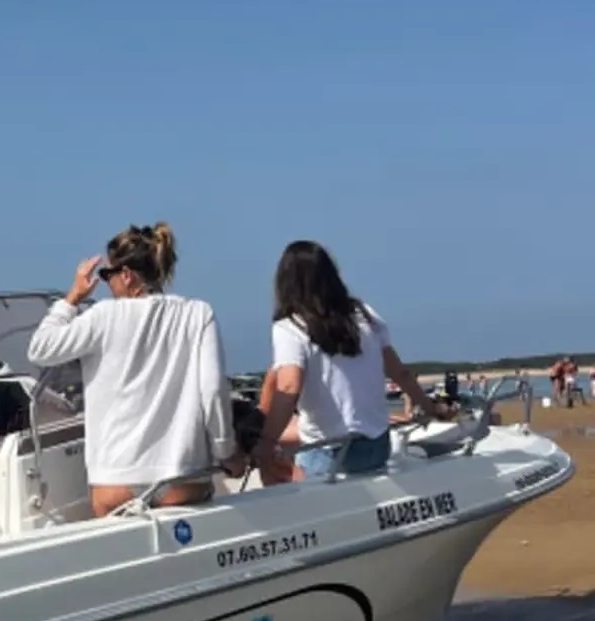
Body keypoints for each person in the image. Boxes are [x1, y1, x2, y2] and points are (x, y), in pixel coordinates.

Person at [26, 222, 241, 518]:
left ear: (126, 276)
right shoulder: (198, 313)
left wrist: (72, 297)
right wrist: (225, 451)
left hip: (116, 481)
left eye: (106, 275)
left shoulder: (102, 316)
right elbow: (214, 390)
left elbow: (40, 348)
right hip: (181, 476)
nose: (106, 284)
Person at [252, 241, 452, 480]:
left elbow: (289, 386)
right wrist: (432, 408)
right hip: (377, 448)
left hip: (329, 455)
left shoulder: (290, 327)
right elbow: (401, 374)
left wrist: (266, 443)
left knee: (274, 467)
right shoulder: (365, 315)